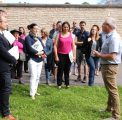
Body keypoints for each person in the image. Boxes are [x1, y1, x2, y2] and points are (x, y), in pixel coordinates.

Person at [93, 17, 121, 120]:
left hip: (110, 66)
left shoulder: (114, 37)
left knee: (113, 91)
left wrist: (99, 54)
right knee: (110, 89)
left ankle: (116, 116)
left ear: (108, 26)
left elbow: (113, 56)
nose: (101, 26)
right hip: (107, 66)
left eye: (103, 24)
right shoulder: (109, 36)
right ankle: (109, 108)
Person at [0, 10, 16, 120]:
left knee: (3, 88)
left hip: (4, 64)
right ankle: (6, 114)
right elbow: (1, 50)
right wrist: (13, 59)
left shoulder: (2, 34)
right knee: (6, 87)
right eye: (5, 21)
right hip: (2, 66)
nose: (7, 23)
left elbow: (5, 48)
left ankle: (3, 109)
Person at [25, 23, 45, 100]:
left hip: (40, 60)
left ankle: (35, 90)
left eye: (37, 28)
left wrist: (43, 53)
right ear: (31, 29)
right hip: (32, 59)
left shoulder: (39, 38)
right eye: (35, 28)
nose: (36, 30)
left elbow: (43, 47)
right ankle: (32, 93)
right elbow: (30, 49)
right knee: (33, 76)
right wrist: (40, 53)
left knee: (38, 76)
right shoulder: (28, 38)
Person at [54, 21, 76, 89]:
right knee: (60, 70)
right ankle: (59, 84)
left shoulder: (71, 35)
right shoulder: (59, 35)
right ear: (62, 27)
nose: (66, 28)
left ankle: (67, 84)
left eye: (67, 27)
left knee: (67, 70)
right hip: (60, 55)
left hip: (69, 55)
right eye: (64, 27)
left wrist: (74, 55)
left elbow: (73, 46)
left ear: (69, 28)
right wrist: (56, 56)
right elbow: (55, 46)